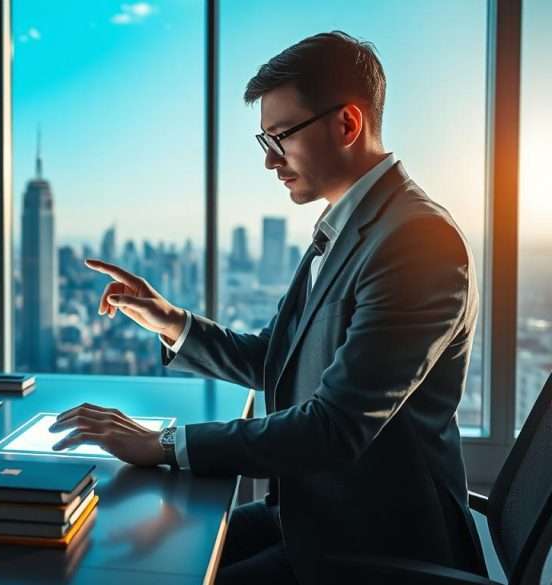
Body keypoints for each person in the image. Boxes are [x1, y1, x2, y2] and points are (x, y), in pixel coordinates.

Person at [50, 31, 487, 584]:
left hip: (373, 545)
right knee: (138, 559)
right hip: (309, 518)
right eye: (266, 140)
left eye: (280, 136)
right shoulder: (349, 227)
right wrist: (172, 321)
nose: (269, 160)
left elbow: (333, 428)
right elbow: (276, 358)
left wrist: (163, 445)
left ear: (347, 124)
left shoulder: (417, 241)